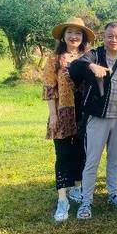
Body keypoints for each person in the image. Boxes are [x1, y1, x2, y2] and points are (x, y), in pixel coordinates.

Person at [68, 22, 117, 219]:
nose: (113, 39)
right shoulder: (94, 55)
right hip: (97, 118)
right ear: (104, 36)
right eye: (109, 35)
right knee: (92, 161)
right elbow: (74, 67)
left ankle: (113, 193)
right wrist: (91, 65)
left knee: (114, 159)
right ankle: (86, 201)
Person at [43, 16, 95, 222]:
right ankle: (62, 199)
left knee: (81, 153)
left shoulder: (89, 57)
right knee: (63, 156)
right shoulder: (55, 58)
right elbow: (49, 89)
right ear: (63, 36)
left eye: (78, 33)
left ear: (83, 37)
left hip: (84, 114)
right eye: (70, 32)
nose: (74, 36)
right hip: (63, 114)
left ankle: (76, 187)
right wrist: (53, 115)